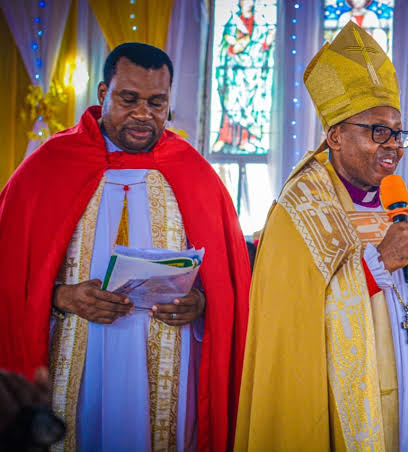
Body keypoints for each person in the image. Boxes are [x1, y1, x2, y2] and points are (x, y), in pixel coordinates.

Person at [235, 22, 408, 451]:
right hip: (342, 404)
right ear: (335, 136)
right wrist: (376, 264)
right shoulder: (298, 210)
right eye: (378, 131)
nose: (393, 145)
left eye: (398, 133)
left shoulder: (393, 201)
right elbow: (294, 324)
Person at [0, 43, 251, 451]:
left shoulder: (194, 172)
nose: (142, 114)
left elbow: (229, 288)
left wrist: (202, 305)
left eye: (157, 102)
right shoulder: (48, 166)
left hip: (169, 354)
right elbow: (8, 275)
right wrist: (61, 296)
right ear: (103, 94)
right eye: (128, 99)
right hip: (74, 352)